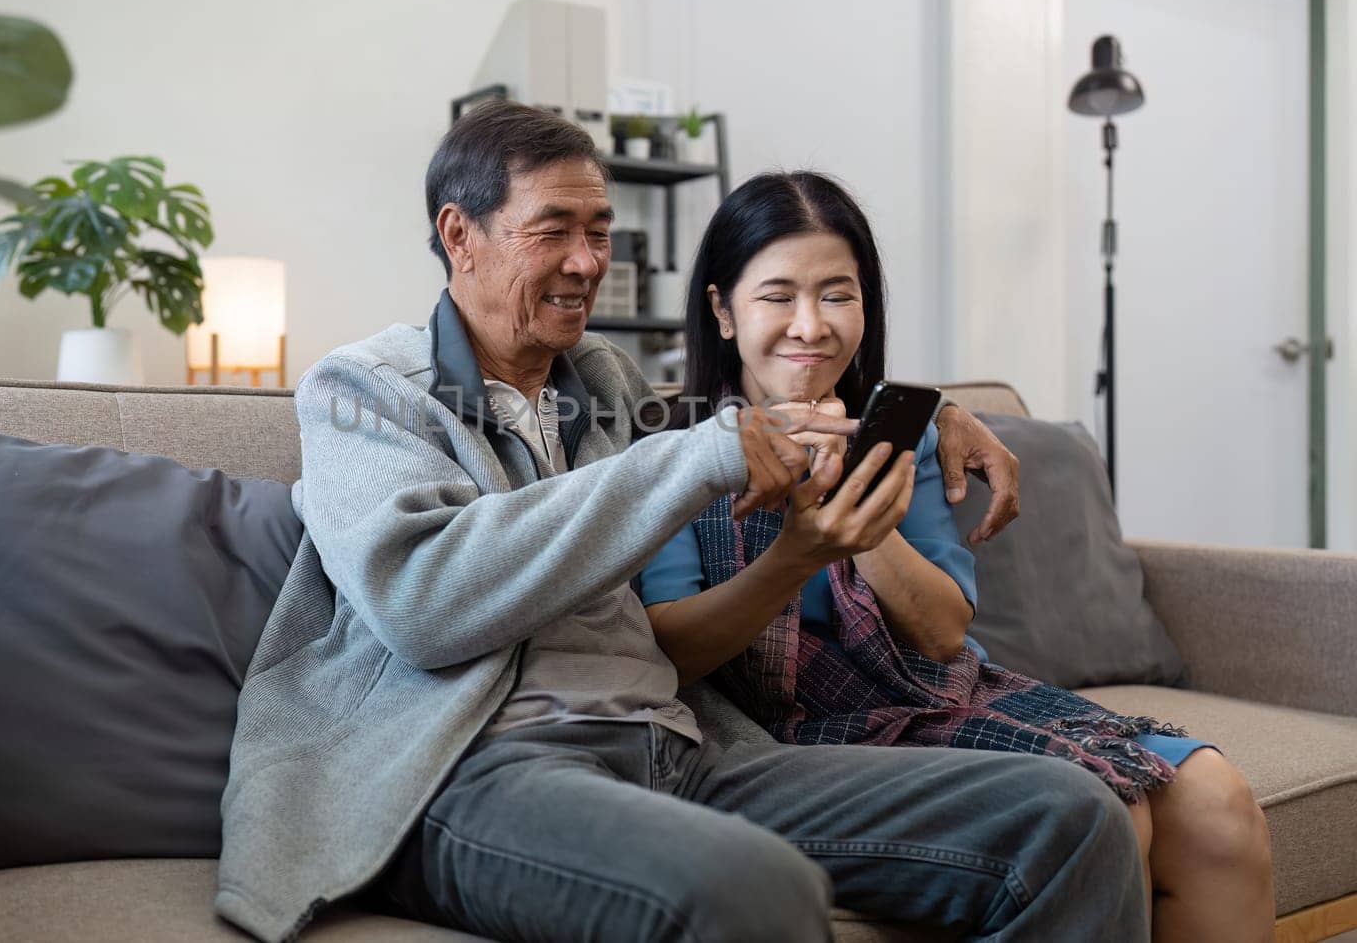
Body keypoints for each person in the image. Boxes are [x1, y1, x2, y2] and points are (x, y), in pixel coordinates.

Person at [218, 101, 1148, 943]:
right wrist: (711, 449)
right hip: (477, 768)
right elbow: (423, 600)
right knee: (749, 890)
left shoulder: (606, 385)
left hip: (677, 750)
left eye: (599, 231)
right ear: (459, 235)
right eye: (554, 230)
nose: (587, 261)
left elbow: (748, 411)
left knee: (1068, 819)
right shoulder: (364, 392)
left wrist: (937, 412)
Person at [636, 170, 1275, 942]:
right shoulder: (673, 452)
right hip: (797, 734)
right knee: (1117, 815)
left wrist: (865, 511)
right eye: (777, 296)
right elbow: (674, 648)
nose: (811, 325)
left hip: (933, 692)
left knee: (1218, 802)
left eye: (838, 294)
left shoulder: (909, 435)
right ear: (723, 310)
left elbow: (942, 636)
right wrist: (801, 551)